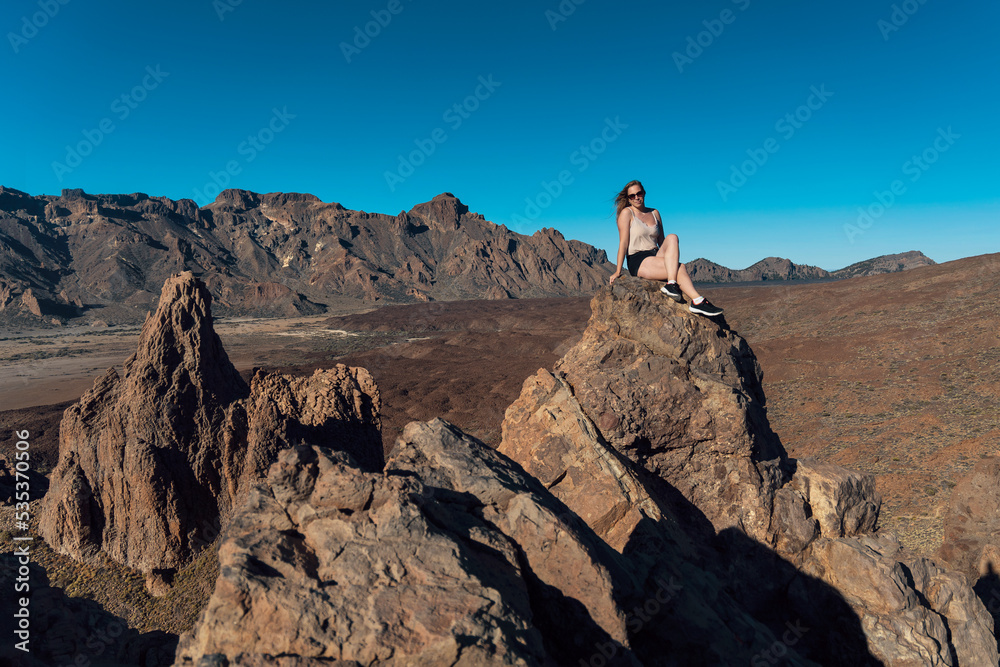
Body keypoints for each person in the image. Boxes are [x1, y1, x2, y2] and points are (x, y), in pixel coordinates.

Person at [608, 179, 723, 317]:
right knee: (680, 268)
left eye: (639, 193)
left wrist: (669, 261)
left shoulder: (655, 213)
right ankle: (698, 301)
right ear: (628, 199)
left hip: (656, 254)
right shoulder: (627, 213)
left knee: (673, 237)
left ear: (644, 193)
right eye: (632, 196)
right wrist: (618, 271)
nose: (636, 197)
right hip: (638, 259)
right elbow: (623, 243)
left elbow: (662, 242)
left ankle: (672, 284)